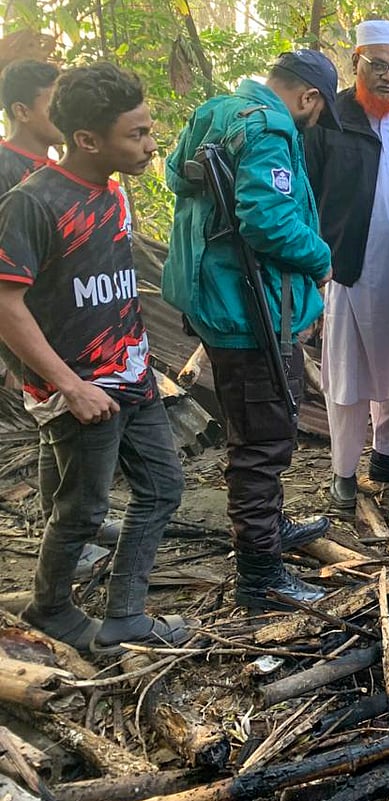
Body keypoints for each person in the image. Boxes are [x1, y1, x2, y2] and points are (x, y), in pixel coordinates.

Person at [0, 63, 188, 653]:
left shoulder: (109, 193)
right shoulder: (33, 202)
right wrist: (68, 387)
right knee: (82, 510)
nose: (151, 144)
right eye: (136, 134)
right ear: (87, 139)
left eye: (149, 129)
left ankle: (125, 612)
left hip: (132, 378)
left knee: (162, 488)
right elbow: (6, 305)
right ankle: (50, 607)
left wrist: (143, 359)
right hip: (81, 391)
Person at [163, 51, 340, 610]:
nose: (312, 122)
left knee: (258, 427)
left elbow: (174, 173)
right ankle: (260, 573)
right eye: (316, 111)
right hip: (249, 310)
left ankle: (268, 528)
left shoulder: (218, 110)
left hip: (218, 298)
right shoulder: (268, 128)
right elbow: (267, 220)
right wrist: (321, 257)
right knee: (263, 439)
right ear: (309, 97)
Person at [304, 20, 389, 513]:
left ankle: (386, 455)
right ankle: (343, 471)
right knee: (348, 376)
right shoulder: (330, 117)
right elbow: (307, 193)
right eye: (378, 65)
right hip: (347, 267)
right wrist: (313, 267)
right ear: (356, 62)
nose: (388, 76)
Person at [0, 60, 60, 193]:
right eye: (54, 108)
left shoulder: (55, 169)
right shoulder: (3, 169)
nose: (65, 115)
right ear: (21, 112)